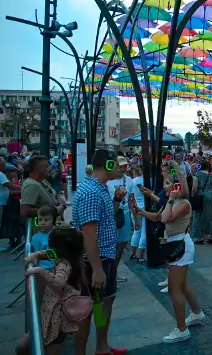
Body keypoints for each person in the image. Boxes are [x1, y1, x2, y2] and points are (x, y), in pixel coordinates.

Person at [136, 168, 206, 343]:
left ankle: (182, 329)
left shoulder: (182, 203)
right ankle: (197, 313)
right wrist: (140, 211)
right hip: (176, 245)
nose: (164, 186)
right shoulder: (173, 202)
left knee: (175, 289)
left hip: (180, 246)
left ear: (177, 186)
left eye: (168, 183)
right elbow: (158, 217)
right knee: (181, 285)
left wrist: (170, 200)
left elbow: (166, 218)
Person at [72, 149, 127, 355]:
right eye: (116, 163)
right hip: (96, 260)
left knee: (103, 301)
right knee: (87, 309)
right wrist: (96, 269)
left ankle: (101, 346)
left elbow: (104, 219)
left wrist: (117, 201)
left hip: (105, 256)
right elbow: (89, 235)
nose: (120, 167)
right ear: (109, 165)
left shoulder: (100, 188)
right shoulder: (92, 192)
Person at [16, 226, 86, 355]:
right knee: (25, 346)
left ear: (60, 249)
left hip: (57, 317)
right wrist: (37, 254)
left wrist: (41, 271)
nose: (50, 249)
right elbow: (49, 254)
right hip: (52, 314)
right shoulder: (69, 257)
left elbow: (58, 283)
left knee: (51, 346)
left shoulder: (65, 265)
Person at [106, 156, 136, 284]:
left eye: (125, 166)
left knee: (121, 246)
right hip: (111, 215)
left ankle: (114, 273)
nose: (123, 168)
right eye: (120, 166)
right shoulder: (108, 181)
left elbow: (132, 200)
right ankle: (110, 274)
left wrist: (136, 219)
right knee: (111, 246)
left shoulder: (129, 181)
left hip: (125, 214)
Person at [191, 161, 212, 245]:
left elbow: (194, 188)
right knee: (211, 215)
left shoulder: (197, 175)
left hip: (201, 196)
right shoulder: (211, 175)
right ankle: (211, 236)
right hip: (211, 195)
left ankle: (200, 237)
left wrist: (192, 196)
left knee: (199, 216)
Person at [31, 206, 57, 272]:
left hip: (57, 268)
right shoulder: (35, 238)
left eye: (46, 219)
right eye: (40, 219)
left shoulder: (56, 234)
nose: (43, 222)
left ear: (53, 220)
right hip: (43, 269)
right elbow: (35, 256)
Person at [130, 166, 147, 264]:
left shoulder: (132, 181)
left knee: (136, 231)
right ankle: (141, 256)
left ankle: (133, 253)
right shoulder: (147, 180)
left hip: (135, 207)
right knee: (144, 232)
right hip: (144, 208)